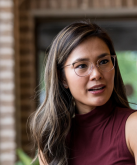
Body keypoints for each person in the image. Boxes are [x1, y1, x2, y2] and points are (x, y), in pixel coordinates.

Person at [30, 21, 137, 165]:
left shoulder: (132, 127)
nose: (96, 74)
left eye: (104, 61)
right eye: (81, 66)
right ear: (62, 78)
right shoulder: (52, 142)